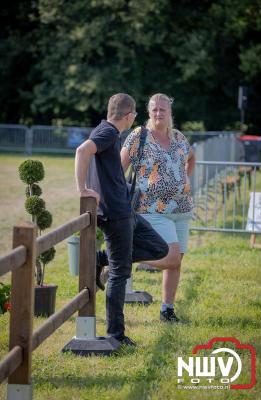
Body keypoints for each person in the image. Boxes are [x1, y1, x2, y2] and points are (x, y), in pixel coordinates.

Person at [75, 93, 178, 346]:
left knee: (158, 247)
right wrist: (82, 189)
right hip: (115, 215)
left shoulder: (105, 129)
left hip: (126, 211)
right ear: (130, 115)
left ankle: (101, 258)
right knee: (121, 273)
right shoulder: (108, 132)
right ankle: (116, 335)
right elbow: (82, 150)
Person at [121, 93, 196, 323]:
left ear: (170, 112)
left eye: (162, 109)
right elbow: (118, 168)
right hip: (152, 208)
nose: (158, 113)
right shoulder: (139, 137)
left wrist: (186, 180)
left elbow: (191, 157)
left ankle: (167, 310)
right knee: (171, 258)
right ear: (148, 112)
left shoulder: (178, 137)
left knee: (176, 262)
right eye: (154, 109)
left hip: (182, 209)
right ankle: (122, 258)